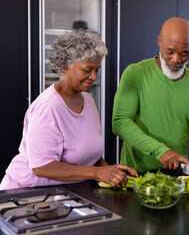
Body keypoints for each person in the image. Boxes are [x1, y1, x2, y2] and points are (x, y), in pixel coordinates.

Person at [0, 29, 137, 190]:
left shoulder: (88, 101)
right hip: (27, 194)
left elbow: (85, 150)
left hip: (66, 191)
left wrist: (109, 171)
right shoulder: (48, 108)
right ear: (65, 65)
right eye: (87, 70)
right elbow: (41, 167)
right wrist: (96, 173)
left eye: (97, 70)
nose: (94, 77)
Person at [112, 17, 189, 176]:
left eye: (184, 53)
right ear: (159, 41)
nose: (176, 60)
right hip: (135, 176)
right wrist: (160, 151)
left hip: (175, 175)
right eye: (170, 51)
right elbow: (120, 122)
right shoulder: (135, 74)